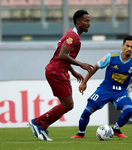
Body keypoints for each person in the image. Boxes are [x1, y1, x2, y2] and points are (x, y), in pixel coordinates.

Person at [71, 35, 132, 138]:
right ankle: (81, 133)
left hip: (120, 92)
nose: (129, 49)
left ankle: (116, 129)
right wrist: (84, 82)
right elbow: (95, 67)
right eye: (127, 46)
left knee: (129, 109)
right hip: (105, 89)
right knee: (87, 111)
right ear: (122, 46)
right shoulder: (111, 57)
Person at [27, 10, 94, 141]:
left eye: (89, 21)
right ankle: (37, 122)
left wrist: (73, 71)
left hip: (60, 72)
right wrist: (81, 64)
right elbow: (62, 55)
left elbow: (65, 56)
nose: (89, 23)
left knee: (67, 105)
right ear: (78, 21)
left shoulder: (74, 35)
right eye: (86, 21)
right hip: (55, 72)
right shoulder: (73, 35)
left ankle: (43, 127)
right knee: (68, 104)